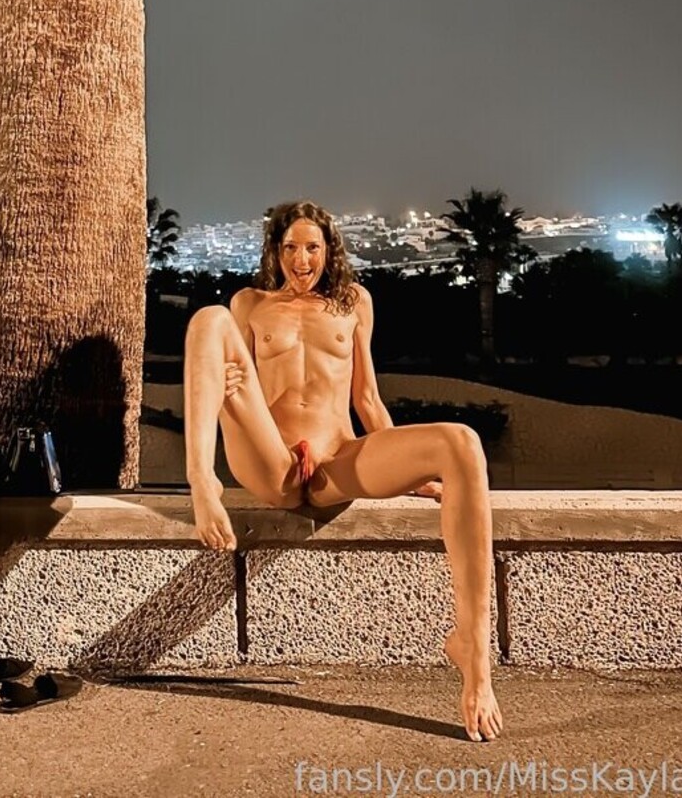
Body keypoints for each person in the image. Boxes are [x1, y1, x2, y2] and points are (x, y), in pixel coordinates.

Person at [184, 199, 503, 743]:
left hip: (336, 461)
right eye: (289, 247)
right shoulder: (250, 304)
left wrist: (405, 470)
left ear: (329, 250)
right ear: (275, 252)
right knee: (207, 320)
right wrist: (230, 389)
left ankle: (473, 652)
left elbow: (367, 398)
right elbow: (235, 382)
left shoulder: (354, 302)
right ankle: (201, 481)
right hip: (274, 461)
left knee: (462, 443)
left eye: (311, 247)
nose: (301, 259)